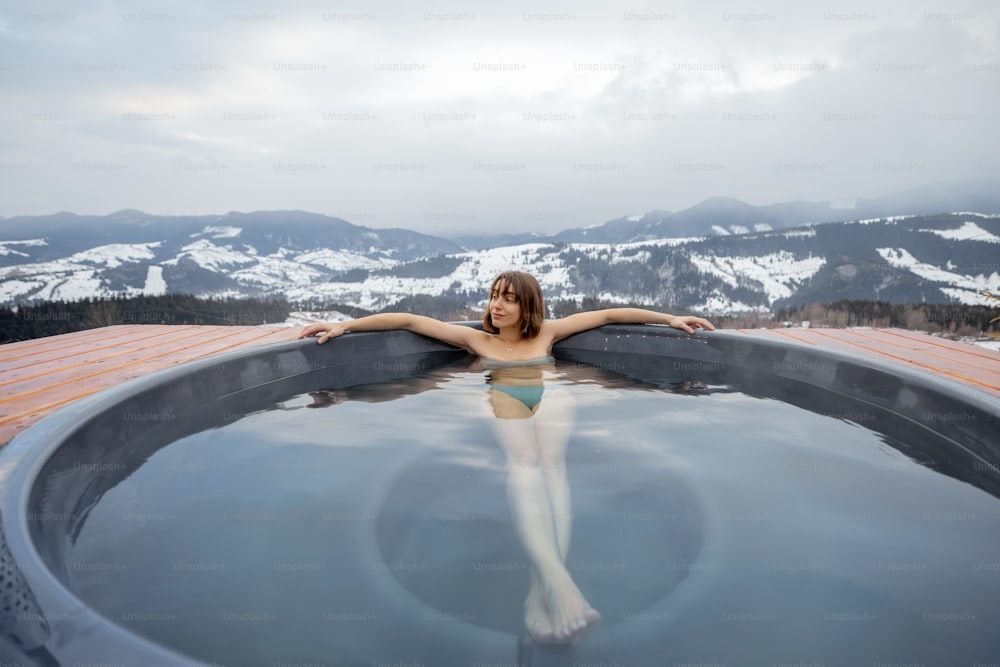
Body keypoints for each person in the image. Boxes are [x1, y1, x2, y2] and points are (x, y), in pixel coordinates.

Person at [298, 271, 715, 644]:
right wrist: (345, 325)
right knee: (525, 466)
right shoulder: (478, 340)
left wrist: (671, 320)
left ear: (527, 305)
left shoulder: (548, 333)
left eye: (509, 298)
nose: (496, 305)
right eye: (495, 295)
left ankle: (545, 586)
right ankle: (558, 583)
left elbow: (609, 315)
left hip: (550, 393)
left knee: (553, 467)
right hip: (505, 393)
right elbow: (407, 320)